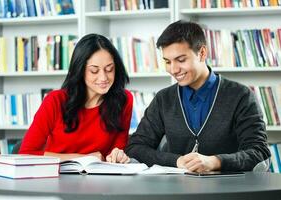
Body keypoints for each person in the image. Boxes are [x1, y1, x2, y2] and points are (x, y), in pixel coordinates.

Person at [126, 20, 271, 172]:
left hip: (228, 189)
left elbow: (259, 152)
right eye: (167, 62)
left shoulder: (241, 96)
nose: (174, 69)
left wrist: (216, 162)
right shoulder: (163, 99)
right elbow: (135, 147)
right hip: (177, 191)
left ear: (202, 53)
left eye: (181, 60)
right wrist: (177, 161)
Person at [19, 34, 132, 163]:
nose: (103, 78)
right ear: (80, 70)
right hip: (55, 178)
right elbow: (26, 153)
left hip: (99, 179)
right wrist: (84, 158)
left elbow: (115, 152)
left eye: (109, 69)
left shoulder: (124, 100)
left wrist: (118, 155)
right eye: (94, 71)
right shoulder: (55, 101)